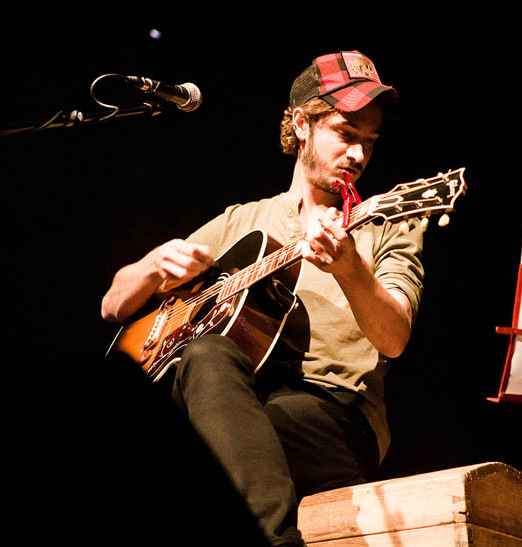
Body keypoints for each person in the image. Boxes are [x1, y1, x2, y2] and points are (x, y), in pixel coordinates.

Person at [101, 50, 424, 547]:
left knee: (208, 376)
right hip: (238, 402)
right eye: (346, 133)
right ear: (301, 124)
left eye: (370, 141)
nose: (359, 155)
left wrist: (350, 268)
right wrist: (152, 266)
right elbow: (113, 306)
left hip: (334, 417)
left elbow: (395, 337)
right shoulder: (241, 221)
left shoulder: (389, 221)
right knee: (204, 370)